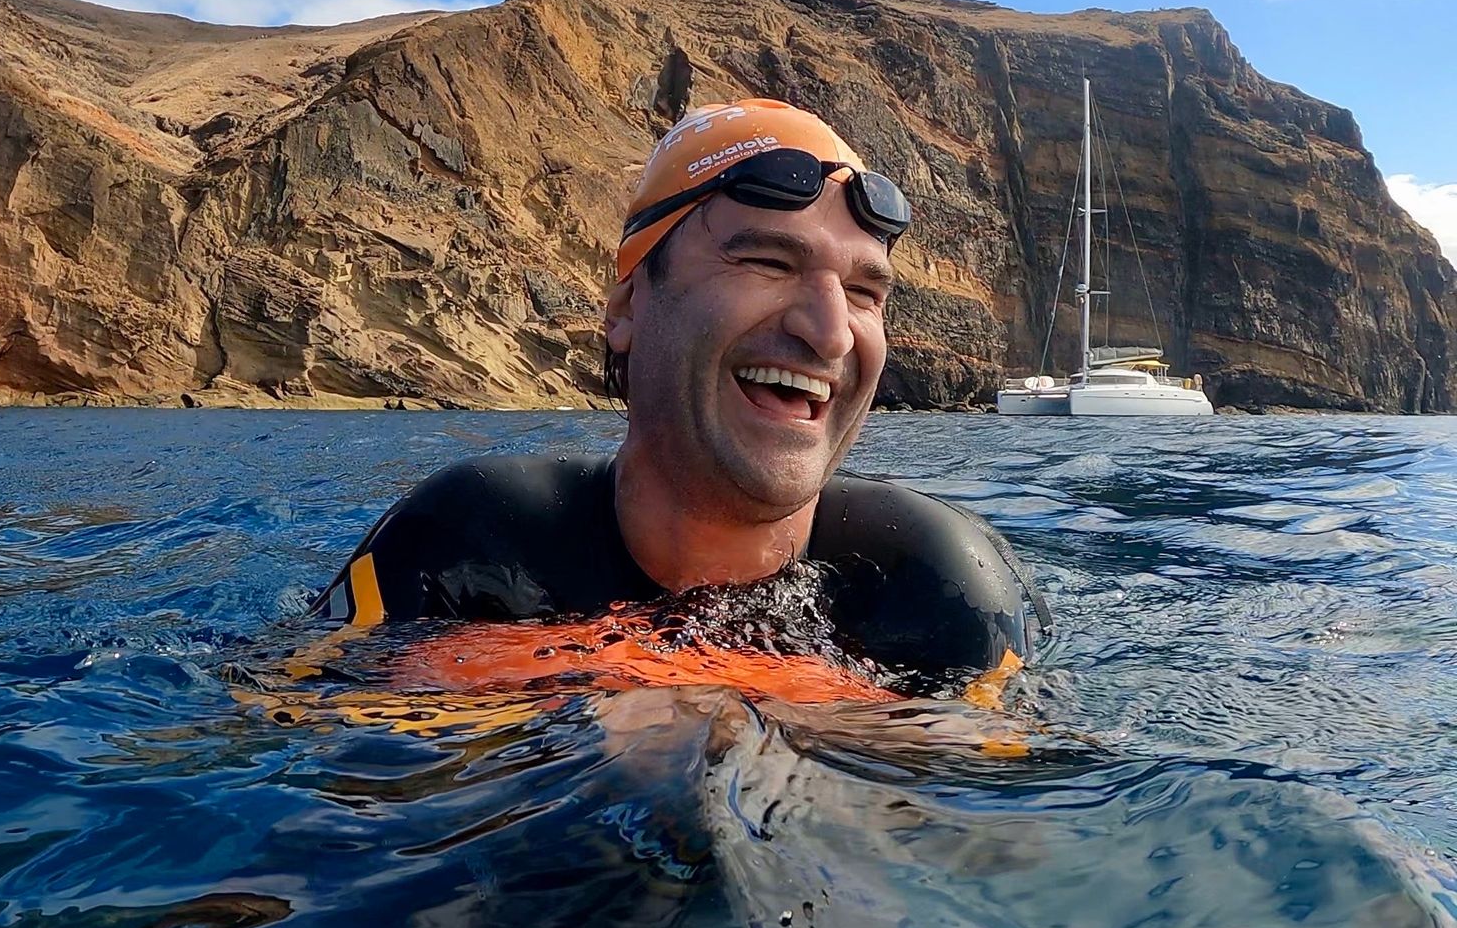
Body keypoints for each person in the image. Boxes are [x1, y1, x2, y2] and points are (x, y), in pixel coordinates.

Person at [314, 98, 1042, 684]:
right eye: (766, 260)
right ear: (628, 308)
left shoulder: (939, 584)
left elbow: (1001, 838)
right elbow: (315, 806)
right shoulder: (473, 543)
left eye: (863, 291)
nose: (831, 333)